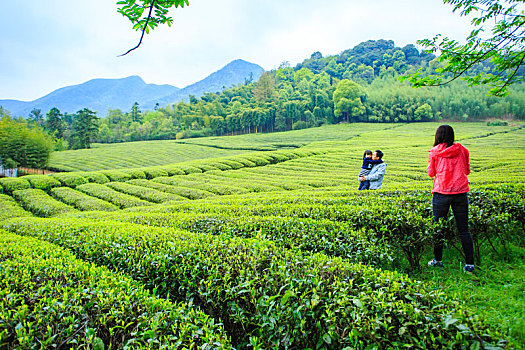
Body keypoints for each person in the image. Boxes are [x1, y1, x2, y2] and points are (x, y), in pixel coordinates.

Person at [427, 125, 475, 273]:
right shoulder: (463, 150)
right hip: (460, 192)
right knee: (463, 229)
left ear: (438, 136)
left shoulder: (435, 152)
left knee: (438, 228)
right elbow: (467, 170)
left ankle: (438, 260)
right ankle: (469, 264)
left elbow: (430, 173)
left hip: (441, 193)